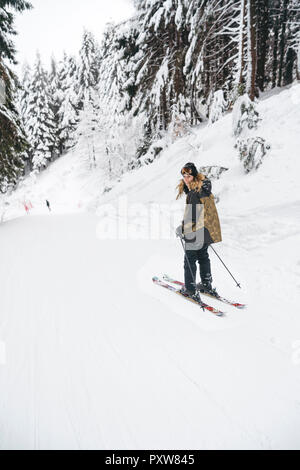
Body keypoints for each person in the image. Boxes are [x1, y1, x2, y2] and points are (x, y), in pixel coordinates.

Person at [175, 162, 222, 299]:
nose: (186, 178)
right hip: (208, 229)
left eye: (189, 175)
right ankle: (206, 284)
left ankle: (190, 289)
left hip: (198, 229)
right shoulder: (204, 189)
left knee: (190, 259)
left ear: (194, 176)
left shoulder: (195, 193)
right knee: (203, 256)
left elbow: (192, 216)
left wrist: (182, 228)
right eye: (184, 175)